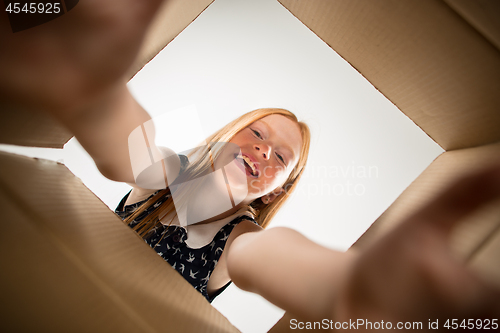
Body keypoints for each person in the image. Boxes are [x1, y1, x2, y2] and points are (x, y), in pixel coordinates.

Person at [2, 0, 500, 328]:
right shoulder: (169, 175)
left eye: (281, 157)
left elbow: (273, 259)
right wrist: (96, 100)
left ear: (276, 189)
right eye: (257, 133)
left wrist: (342, 286)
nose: (263, 151)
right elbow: (132, 156)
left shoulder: (240, 241)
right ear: (225, 138)